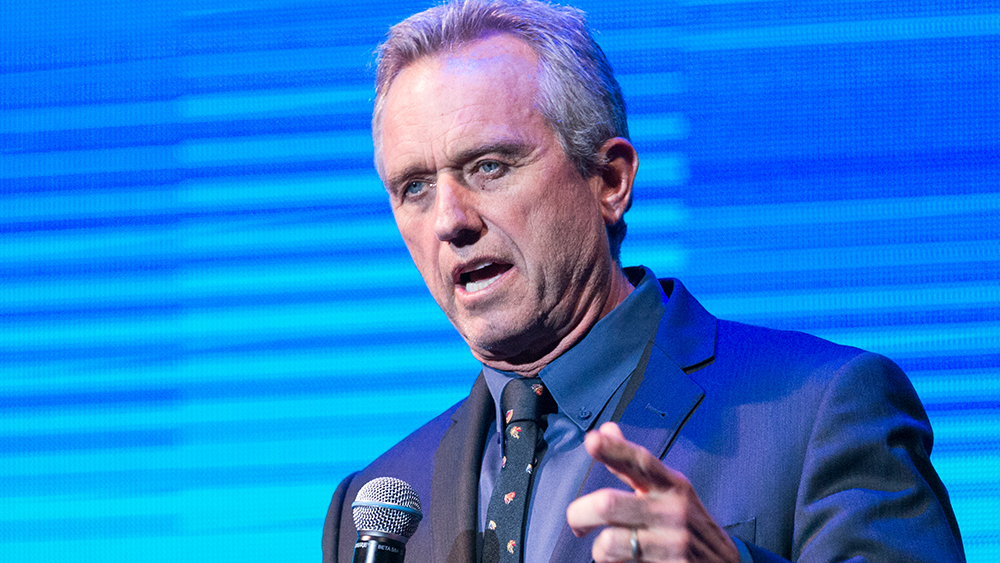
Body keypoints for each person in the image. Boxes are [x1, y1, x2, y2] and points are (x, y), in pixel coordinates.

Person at [322, 1, 965, 562]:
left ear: (610, 181)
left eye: (489, 166)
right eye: (414, 187)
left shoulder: (821, 409)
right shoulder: (373, 505)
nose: (449, 221)